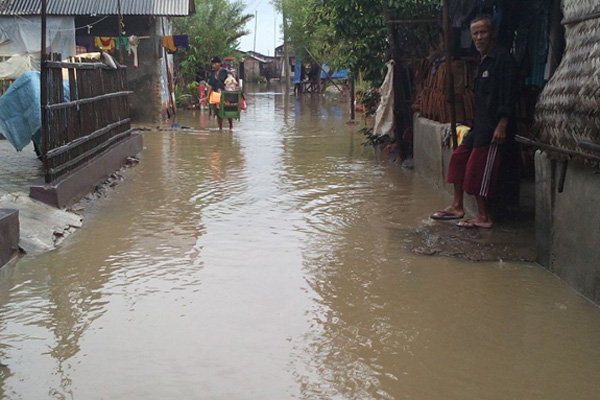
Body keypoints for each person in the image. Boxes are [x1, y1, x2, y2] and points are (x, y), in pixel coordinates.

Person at [430, 15, 518, 229]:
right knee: (458, 160)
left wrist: (502, 123)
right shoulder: (482, 61)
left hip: (493, 129)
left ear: (492, 34)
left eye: (483, 32)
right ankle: (457, 205)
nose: (479, 37)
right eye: (475, 33)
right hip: (479, 127)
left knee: (477, 171)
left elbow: (509, 94)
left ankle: (484, 216)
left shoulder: (502, 59)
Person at [207, 56, 233, 130]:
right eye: (213, 64)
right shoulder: (212, 74)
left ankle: (230, 126)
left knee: (227, 111)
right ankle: (220, 128)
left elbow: (229, 83)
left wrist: (225, 90)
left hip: (225, 95)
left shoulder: (224, 72)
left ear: (219, 64)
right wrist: (207, 96)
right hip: (215, 96)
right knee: (218, 112)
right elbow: (210, 85)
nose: (214, 65)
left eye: (216, 64)